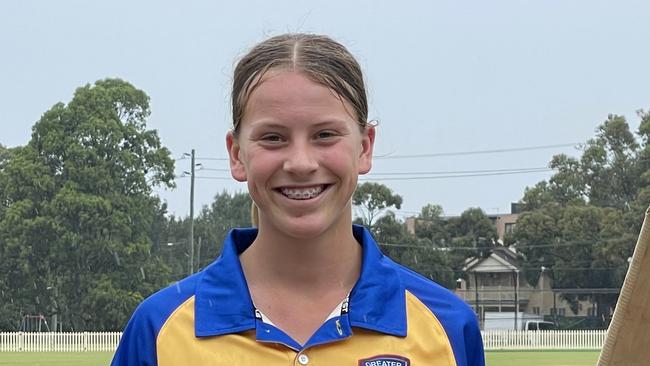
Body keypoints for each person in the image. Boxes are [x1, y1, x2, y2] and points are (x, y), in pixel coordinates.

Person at [111, 33, 484, 366]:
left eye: (325, 135)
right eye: (273, 137)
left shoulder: (446, 327)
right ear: (237, 154)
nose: (301, 163)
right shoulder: (159, 330)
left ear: (365, 147)